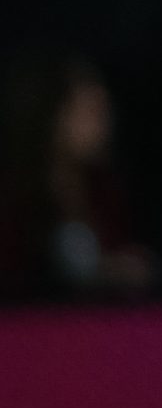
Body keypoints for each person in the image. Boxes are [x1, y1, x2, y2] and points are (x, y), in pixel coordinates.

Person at [0, 52, 153, 297]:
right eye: (92, 112)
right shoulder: (12, 198)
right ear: (50, 115)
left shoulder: (104, 190)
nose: (106, 125)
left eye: (105, 112)